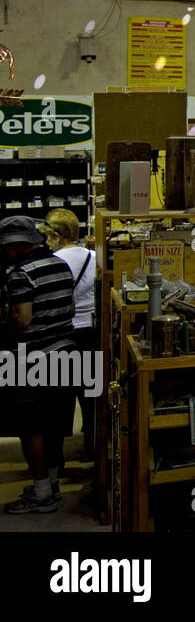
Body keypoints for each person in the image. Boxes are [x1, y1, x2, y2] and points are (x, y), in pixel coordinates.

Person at [0, 216, 76, 514]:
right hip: (66, 352)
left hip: (32, 359)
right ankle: (53, 483)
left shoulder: (21, 274)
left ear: (16, 247)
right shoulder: (60, 265)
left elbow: (22, 319)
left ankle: (42, 492)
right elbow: (69, 307)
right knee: (54, 422)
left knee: (31, 427)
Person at [41, 209, 95, 464]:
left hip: (63, 336)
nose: (46, 242)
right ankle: (93, 453)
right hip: (91, 334)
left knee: (57, 402)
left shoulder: (52, 263)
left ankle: (54, 461)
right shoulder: (95, 257)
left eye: (48, 237)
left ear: (56, 236)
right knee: (91, 400)